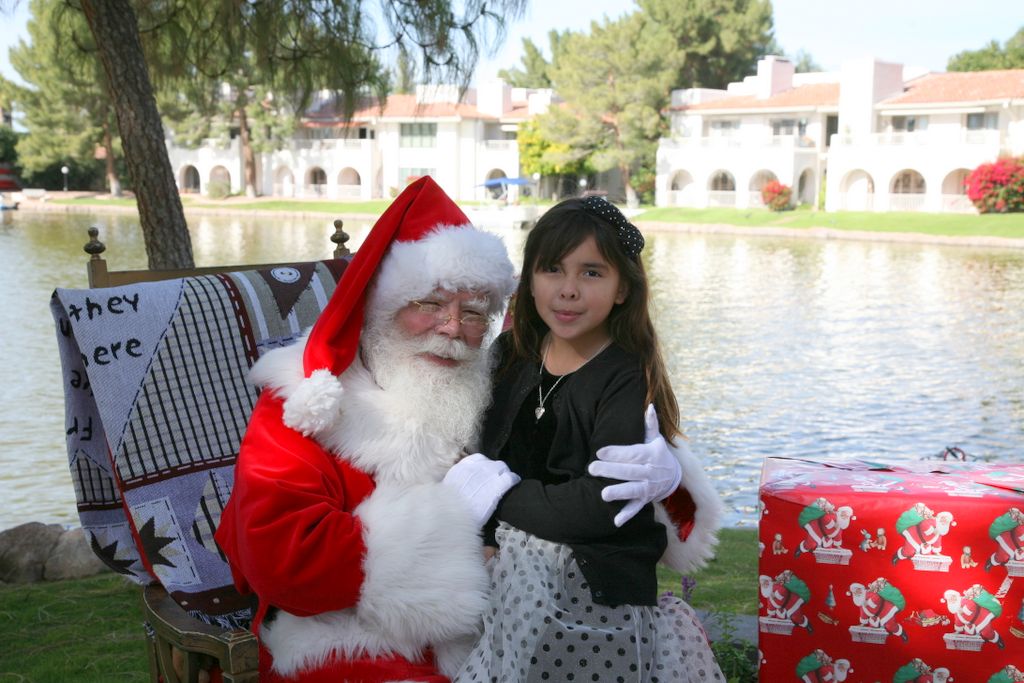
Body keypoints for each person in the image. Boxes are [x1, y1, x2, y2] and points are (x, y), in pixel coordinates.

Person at [214, 178, 686, 682]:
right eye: (430, 305)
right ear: (384, 304)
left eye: (474, 313)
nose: (452, 328)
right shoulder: (307, 400)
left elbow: (567, 439)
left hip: (502, 631)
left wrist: (669, 471)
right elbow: (286, 558)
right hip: (347, 641)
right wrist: (467, 548)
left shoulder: (485, 381)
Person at [446, 196, 725, 682]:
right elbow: (483, 454)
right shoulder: (513, 354)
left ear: (622, 289)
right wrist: (487, 530)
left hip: (594, 590)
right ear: (529, 279)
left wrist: (496, 494)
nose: (568, 291)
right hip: (509, 579)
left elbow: (599, 507)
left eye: (592, 273)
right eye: (552, 269)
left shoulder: (623, 377)